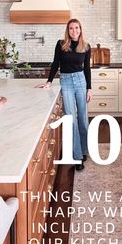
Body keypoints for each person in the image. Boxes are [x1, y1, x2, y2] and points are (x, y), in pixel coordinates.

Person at [38, 19, 92, 171]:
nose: (74, 31)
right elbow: (55, 63)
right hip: (66, 82)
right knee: (71, 118)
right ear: (67, 31)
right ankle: (77, 156)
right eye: (71, 28)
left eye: (76, 28)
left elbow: (87, 69)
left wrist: (89, 88)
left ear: (80, 30)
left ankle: (83, 149)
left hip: (81, 81)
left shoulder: (86, 46)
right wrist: (49, 81)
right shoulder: (61, 44)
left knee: (82, 117)